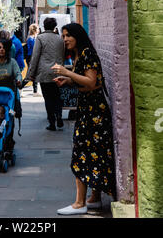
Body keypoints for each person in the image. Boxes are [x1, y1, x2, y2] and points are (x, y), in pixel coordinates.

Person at [51, 23, 116, 215]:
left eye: (68, 35)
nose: (65, 39)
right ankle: (94, 198)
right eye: (63, 36)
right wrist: (69, 80)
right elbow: (85, 81)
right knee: (94, 152)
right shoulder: (81, 53)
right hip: (89, 109)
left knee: (81, 152)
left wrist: (67, 72)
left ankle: (79, 203)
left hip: (93, 112)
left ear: (78, 36)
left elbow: (91, 82)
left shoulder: (87, 53)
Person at [27, 17, 64, 131]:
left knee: (48, 98)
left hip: (44, 73)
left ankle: (52, 122)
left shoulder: (40, 38)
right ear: (54, 26)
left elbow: (35, 56)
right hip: (57, 72)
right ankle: (59, 115)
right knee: (57, 96)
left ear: (44, 26)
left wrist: (31, 74)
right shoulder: (59, 39)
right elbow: (62, 55)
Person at [25, 24, 39, 94]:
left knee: (33, 74)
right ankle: (20, 86)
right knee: (31, 74)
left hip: (31, 57)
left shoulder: (31, 38)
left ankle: (35, 91)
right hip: (31, 57)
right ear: (35, 30)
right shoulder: (32, 39)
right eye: (38, 29)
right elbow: (35, 48)